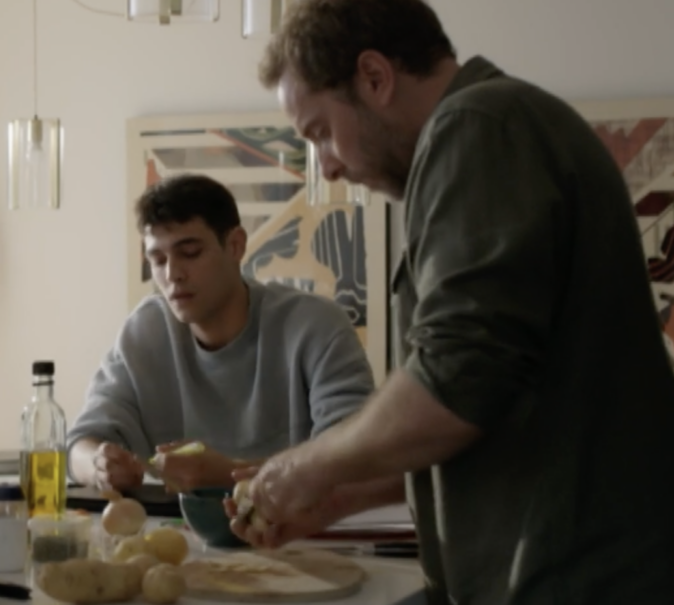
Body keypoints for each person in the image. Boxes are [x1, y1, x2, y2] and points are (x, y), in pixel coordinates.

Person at [229, 1, 674, 604]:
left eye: (320, 132)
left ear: (375, 77)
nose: (326, 166)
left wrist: (307, 466)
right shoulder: (493, 129)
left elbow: (457, 380)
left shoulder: (478, 126)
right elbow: (494, 413)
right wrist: (341, 497)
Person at [66, 174, 377, 494]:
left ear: (235, 246)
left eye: (190, 252)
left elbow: (356, 458)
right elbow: (78, 447)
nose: (172, 274)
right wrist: (100, 466)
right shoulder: (145, 332)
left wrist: (228, 474)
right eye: (157, 260)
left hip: (304, 526)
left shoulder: (316, 326)